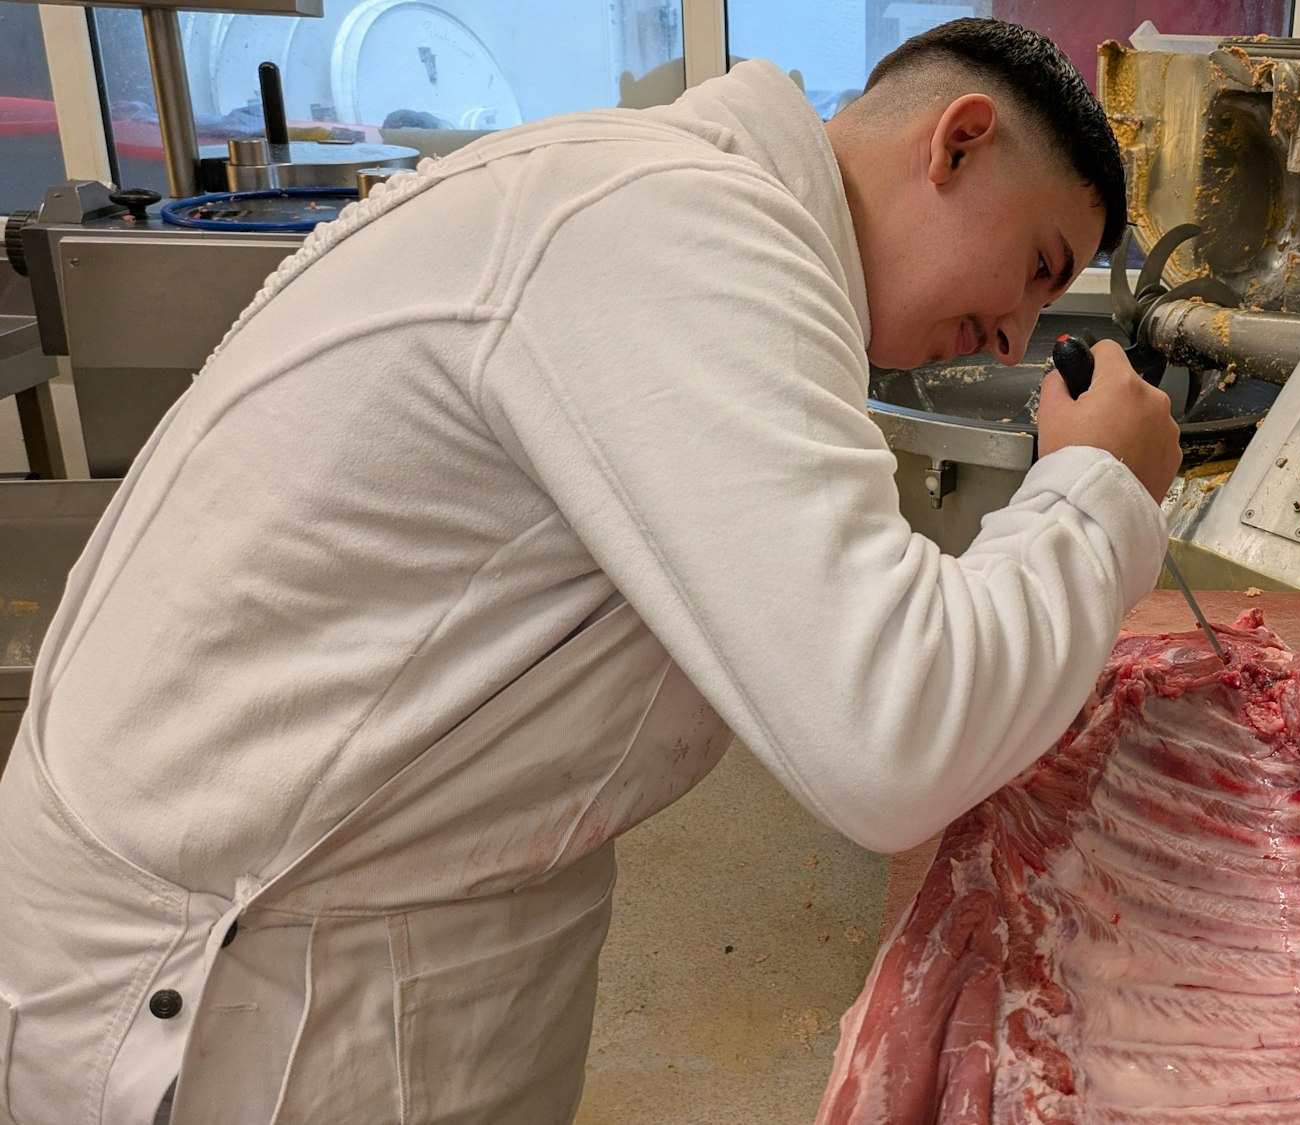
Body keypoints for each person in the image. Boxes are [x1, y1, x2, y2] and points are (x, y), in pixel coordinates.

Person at [0, 17, 1180, 1125]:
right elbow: (891, 734)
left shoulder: (681, 199)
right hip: (246, 993)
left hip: (373, 921)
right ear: (957, 142)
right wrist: (1098, 489)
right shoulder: (680, 229)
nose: (1015, 336)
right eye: (1034, 264)